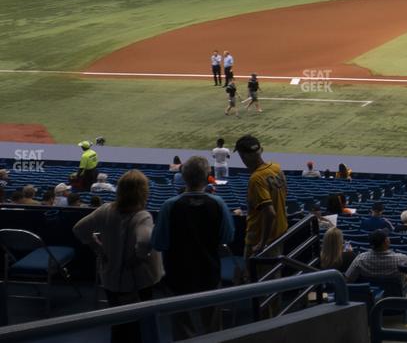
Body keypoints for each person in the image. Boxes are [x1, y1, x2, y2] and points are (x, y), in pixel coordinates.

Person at [73, 170, 163, 343]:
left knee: (118, 324)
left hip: (111, 279)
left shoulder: (105, 209)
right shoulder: (142, 216)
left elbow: (79, 228)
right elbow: (145, 242)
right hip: (138, 282)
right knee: (139, 326)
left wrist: (97, 248)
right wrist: (138, 257)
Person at [152, 156, 234, 339]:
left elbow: (158, 243)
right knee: (213, 328)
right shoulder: (218, 203)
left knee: (182, 328)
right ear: (208, 177)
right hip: (209, 273)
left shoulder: (169, 206)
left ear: (183, 176)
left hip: (177, 276)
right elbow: (228, 236)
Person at [236, 135, 288, 258]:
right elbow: (285, 192)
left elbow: (270, 213)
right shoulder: (276, 168)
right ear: (261, 150)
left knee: (258, 276)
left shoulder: (256, 179)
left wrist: (262, 244)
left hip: (260, 240)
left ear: (243, 156)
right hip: (279, 233)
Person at [345, 230, 407, 296]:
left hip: (371, 302)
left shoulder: (360, 259)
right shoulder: (400, 259)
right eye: (387, 237)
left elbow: (348, 280)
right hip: (396, 301)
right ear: (386, 242)